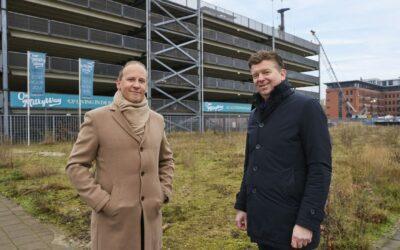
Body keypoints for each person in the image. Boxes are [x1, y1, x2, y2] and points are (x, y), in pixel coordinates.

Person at [66, 61, 174, 250]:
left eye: (142, 80)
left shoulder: (157, 120)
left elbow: (166, 160)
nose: (136, 84)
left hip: (150, 221)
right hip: (113, 224)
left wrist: (163, 192)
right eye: (131, 79)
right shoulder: (97, 119)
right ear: (119, 83)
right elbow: (76, 165)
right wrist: (102, 202)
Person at [234, 51, 332, 249]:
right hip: (263, 221)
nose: (260, 79)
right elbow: (251, 164)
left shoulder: (307, 108)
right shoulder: (255, 115)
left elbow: (320, 169)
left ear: (283, 74)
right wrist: (243, 205)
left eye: (266, 72)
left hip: (293, 225)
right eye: (255, 75)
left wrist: (306, 222)